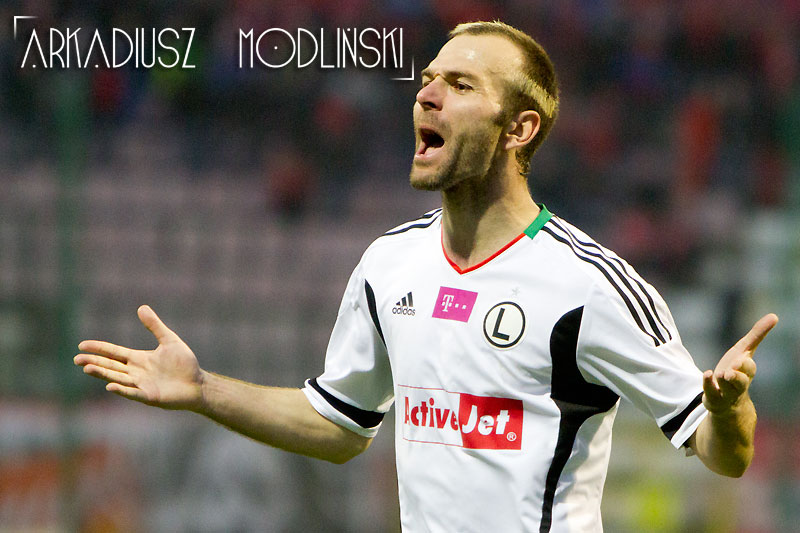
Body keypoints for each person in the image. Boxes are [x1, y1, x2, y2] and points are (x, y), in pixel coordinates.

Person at [74, 21, 778, 532]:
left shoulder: (588, 284)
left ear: (519, 129)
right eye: (427, 81)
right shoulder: (389, 264)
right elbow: (340, 424)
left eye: (460, 85)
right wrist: (203, 390)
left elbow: (723, 454)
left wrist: (726, 412)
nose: (427, 96)